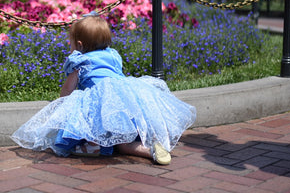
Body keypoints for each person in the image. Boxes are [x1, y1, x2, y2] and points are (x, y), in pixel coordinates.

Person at [11, 15, 196, 163]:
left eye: (72, 42)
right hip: (126, 99)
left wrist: (64, 102)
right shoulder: (113, 55)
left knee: (96, 120)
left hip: (103, 103)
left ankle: (96, 145)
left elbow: (67, 92)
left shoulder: (80, 61)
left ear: (80, 45)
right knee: (125, 139)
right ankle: (151, 146)